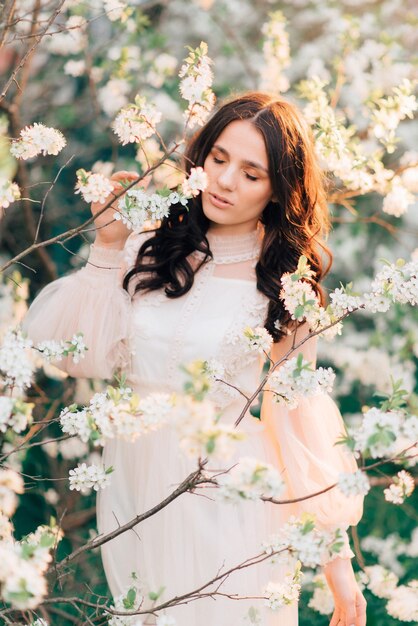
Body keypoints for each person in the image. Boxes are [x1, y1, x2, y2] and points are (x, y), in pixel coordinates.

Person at [24, 92, 367, 626]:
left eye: (252, 174)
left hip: (233, 501)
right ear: (200, 158)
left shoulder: (285, 283)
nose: (227, 181)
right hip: (136, 499)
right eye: (219, 159)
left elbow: (300, 424)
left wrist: (338, 568)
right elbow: (75, 354)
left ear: (279, 189)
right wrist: (107, 246)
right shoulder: (149, 249)